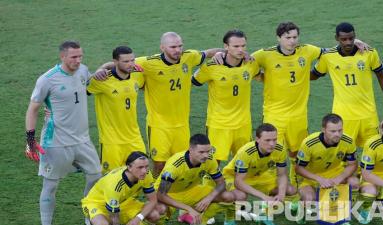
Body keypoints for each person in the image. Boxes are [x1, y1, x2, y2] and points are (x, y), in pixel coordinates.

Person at [252, 22, 368, 189]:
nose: (292, 41)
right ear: (278, 38)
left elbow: (331, 51)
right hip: (274, 115)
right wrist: (220, 55)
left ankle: (295, 190)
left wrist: (356, 42)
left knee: (296, 155)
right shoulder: (264, 55)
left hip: (299, 116)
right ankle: (270, 193)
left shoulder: (307, 50)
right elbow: (244, 60)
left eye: (294, 37)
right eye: (287, 37)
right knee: (271, 154)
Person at [95, 32, 224, 178]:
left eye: (180, 46)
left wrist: (221, 53)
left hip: (182, 125)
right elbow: (121, 63)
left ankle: (176, 191)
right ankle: (157, 192)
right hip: (158, 125)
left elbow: (208, 52)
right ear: (162, 47)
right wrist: (101, 68)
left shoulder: (189, 57)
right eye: (173, 47)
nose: (178, 50)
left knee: (183, 162)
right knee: (159, 164)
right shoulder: (148, 63)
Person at [311, 22, 383, 212]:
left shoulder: (369, 52)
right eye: (344, 39)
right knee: (343, 160)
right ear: (337, 39)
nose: (348, 42)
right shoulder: (329, 56)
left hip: (368, 116)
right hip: (343, 119)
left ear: (355, 36)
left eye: (351, 38)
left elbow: (382, 77)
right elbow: (314, 75)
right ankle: (344, 201)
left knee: (374, 157)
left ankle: (378, 200)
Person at [25, 41, 101, 225]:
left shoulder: (83, 71)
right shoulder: (47, 80)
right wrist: (30, 141)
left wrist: (103, 70)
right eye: (73, 57)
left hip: (83, 140)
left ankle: (88, 222)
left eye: (80, 56)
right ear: (62, 57)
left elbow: (87, 82)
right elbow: (32, 110)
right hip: (55, 142)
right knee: (51, 185)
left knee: (96, 175)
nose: (78, 61)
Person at [81, 151, 164, 225]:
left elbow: (153, 200)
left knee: (154, 215)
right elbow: (115, 219)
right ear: (129, 167)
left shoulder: (146, 174)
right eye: (140, 167)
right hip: (96, 203)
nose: (144, 171)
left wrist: (138, 218)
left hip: (124, 202)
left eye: (146, 167)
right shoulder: (115, 185)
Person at [154, 134, 240, 225]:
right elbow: (160, 195)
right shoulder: (175, 165)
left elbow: (221, 183)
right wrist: (188, 209)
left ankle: (200, 224)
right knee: (158, 210)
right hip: (169, 194)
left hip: (191, 191)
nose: (206, 155)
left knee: (229, 196)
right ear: (191, 150)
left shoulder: (209, 159)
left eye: (208, 151)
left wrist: (209, 198)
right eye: (201, 152)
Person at [192, 29, 260, 164]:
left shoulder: (251, 64)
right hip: (219, 125)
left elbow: (260, 74)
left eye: (243, 46)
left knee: (245, 162)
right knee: (212, 164)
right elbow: (194, 81)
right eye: (236, 46)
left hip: (243, 124)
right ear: (226, 47)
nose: (240, 50)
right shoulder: (212, 66)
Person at [222, 123, 297, 225]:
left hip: (259, 176)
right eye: (267, 140)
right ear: (257, 139)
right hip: (234, 177)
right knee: (241, 196)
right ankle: (229, 222)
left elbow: (282, 175)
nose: (272, 144)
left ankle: (265, 215)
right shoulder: (246, 152)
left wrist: (281, 194)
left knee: (289, 190)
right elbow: (238, 182)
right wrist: (263, 196)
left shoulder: (279, 149)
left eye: (274, 139)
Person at [87, 46, 146, 174]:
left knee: (140, 174)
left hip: (134, 137)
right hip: (111, 141)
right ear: (115, 62)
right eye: (126, 61)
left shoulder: (137, 74)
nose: (130, 64)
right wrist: (99, 70)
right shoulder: (102, 80)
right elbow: (80, 90)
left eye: (132, 60)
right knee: (112, 179)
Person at [295, 114, 359, 225]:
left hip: (335, 173)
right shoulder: (309, 143)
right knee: (309, 199)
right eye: (333, 131)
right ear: (323, 130)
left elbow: (353, 164)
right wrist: (319, 179)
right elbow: (298, 168)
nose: (337, 134)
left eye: (340, 130)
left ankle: (343, 217)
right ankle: (302, 207)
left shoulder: (348, 141)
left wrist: (340, 178)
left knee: (354, 182)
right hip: (311, 178)